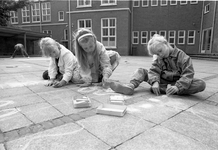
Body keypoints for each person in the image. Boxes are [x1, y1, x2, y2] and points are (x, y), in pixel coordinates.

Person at [107, 34, 206, 96]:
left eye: (160, 51)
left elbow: (188, 73)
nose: (160, 55)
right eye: (157, 54)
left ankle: (168, 90)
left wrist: (178, 86)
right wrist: (155, 82)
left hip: (176, 83)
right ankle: (131, 86)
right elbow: (154, 70)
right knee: (141, 71)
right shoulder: (159, 57)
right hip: (161, 81)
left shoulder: (182, 57)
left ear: (166, 43)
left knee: (200, 84)